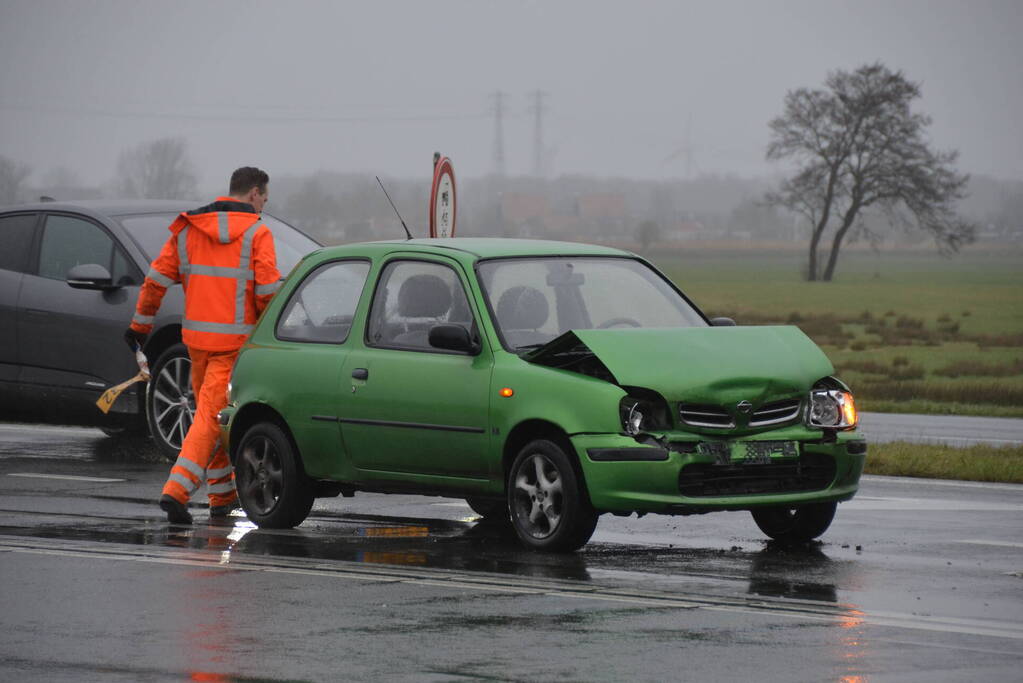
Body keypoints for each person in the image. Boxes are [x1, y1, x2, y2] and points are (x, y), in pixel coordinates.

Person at [125, 167, 280, 524]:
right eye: (264, 200)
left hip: (196, 344)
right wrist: (269, 335)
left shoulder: (188, 230)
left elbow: (155, 280)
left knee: (211, 419)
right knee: (211, 420)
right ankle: (176, 492)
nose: (263, 207)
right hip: (235, 347)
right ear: (254, 193)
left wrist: (140, 326)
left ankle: (221, 495)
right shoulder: (258, 233)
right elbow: (268, 293)